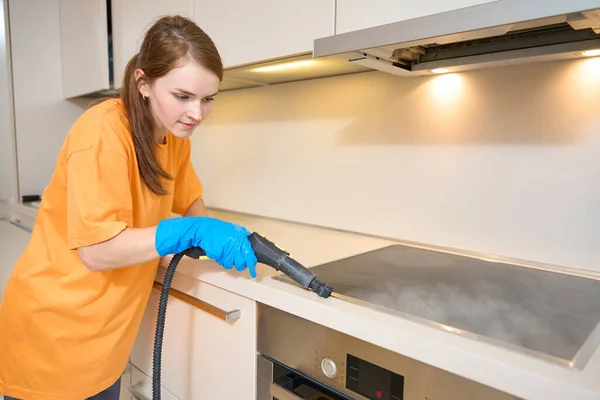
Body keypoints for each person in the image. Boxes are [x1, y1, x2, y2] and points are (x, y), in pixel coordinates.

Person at [0, 15, 258, 400]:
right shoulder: (103, 131)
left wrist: (210, 233)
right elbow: (97, 251)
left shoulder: (173, 137)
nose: (197, 114)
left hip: (107, 342)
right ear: (143, 83)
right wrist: (192, 233)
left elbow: (189, 201)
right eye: (183, 96)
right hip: (56, 338)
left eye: (208, 99)